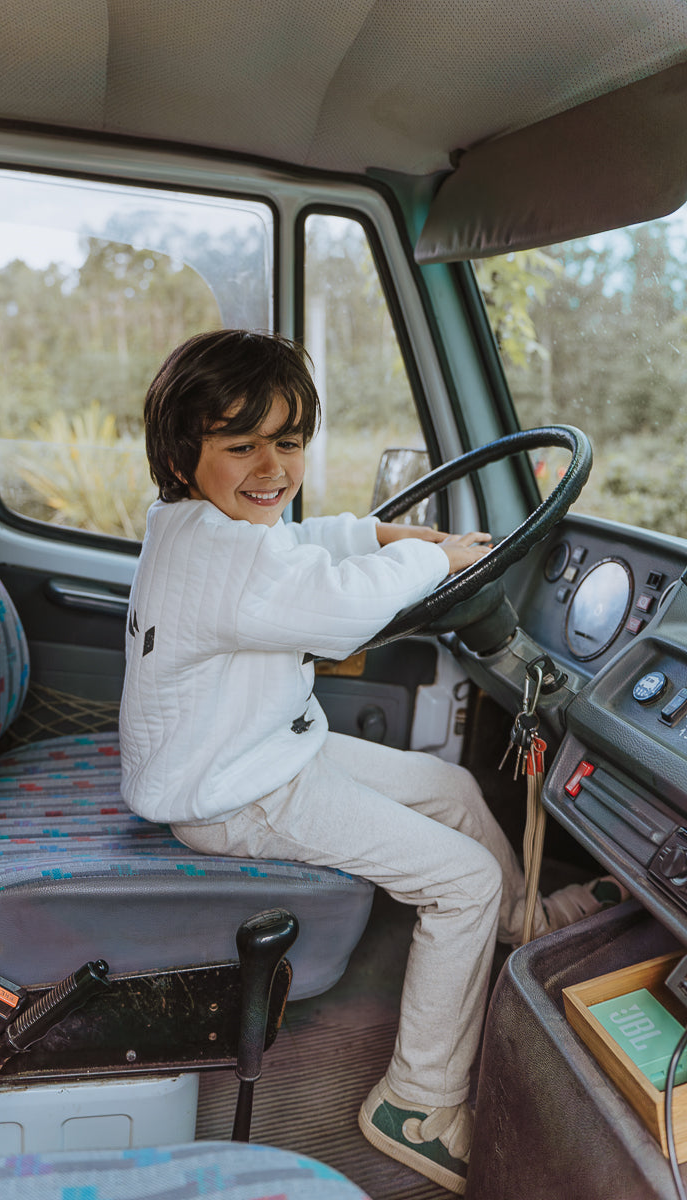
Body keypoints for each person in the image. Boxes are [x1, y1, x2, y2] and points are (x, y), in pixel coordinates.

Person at [120, 329, 625, 1194]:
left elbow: (307, 545)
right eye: (240, 445)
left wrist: (387, 532)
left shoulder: (205, 525)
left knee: (455, 788)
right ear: (182, 451)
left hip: (264, 755)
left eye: (289, 441)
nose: (271, 466)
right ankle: (416, 1106)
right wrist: (430, 557)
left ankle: (525, 925)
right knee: (459, 877)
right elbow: (339, 607)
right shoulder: (225, 563)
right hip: (238, 793)